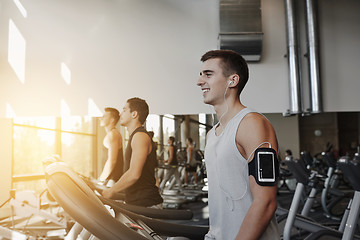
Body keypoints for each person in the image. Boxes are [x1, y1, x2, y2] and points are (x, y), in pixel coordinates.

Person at [197, 50, 279, 239]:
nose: (199, 81)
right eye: (201, 75)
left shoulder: (252, 124)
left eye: (208, 75)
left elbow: (265, 202)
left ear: (232, 81)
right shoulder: (212, 134)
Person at [102, 98, 163, 208]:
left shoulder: (140, 136)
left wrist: (111, 190)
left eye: (124, 110)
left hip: (147, 204)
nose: (120, 114)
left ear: (134, 114)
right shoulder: (135, 136)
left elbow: (134, 174)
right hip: (136, 202)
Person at [98, 107, 124, 186]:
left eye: (104, 116)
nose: (101, 118)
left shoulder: (113, 134)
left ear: (112, 120)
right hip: (109, 179)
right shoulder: (111, 134)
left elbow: (112, 161)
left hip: (113, 180)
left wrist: (101, 179)